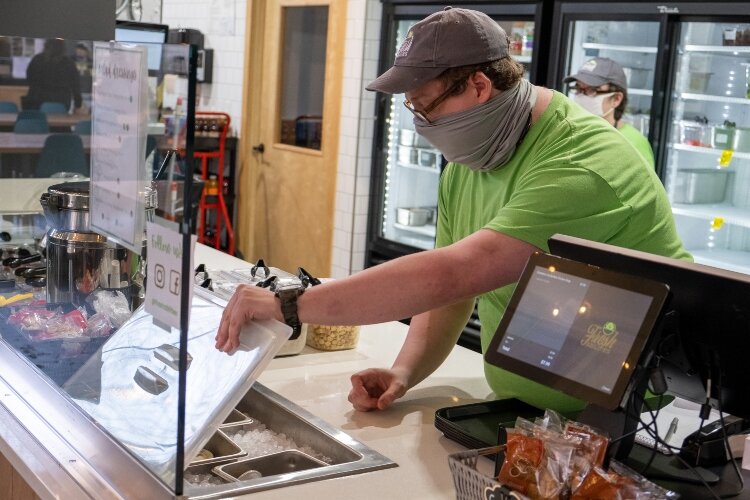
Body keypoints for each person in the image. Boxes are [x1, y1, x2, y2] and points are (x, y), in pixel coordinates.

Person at [215, 8, 690, 414]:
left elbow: (457, 273)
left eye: (425, 107)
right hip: (528, 408)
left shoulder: (582, 164)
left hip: (625, 422)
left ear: (479, 85)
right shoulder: (473, 159)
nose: (420, 124)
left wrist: (292, 303)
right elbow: (447, 295)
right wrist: (405, 371)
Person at [564, 57, 655, 168]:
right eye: (578, 88)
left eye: (592, 90)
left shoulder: (634, 143)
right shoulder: (570, 132)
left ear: (616, 99)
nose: (582, 96)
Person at [23, 38, 85, 113]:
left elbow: (29, 79)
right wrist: (78, 104)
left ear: (46, 45)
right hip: (61, 103)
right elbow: (76, 86)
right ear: (63, 48)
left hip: (37, 102)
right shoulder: (69, 63)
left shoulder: (37, 60)